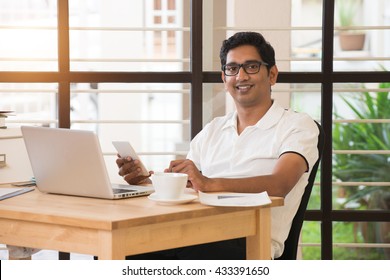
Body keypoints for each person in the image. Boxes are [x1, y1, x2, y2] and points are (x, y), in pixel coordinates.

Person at [117, 31, 319, 260]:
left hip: (251, 245)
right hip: (197, 234)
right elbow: (189, 187)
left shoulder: (297, 125)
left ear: (272, 75)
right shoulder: (213, 130)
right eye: (232, 69)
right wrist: (146, 181)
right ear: (224, 79)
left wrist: (208, 183)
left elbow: (280, 184)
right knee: (121, 249)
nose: (241, 76)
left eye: (251, 67)